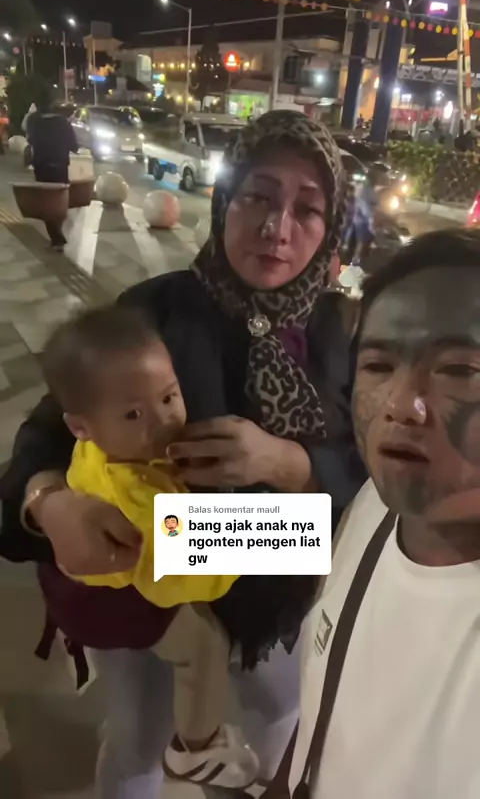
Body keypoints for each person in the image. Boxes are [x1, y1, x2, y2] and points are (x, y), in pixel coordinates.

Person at [0, 110, 366, 799]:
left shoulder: (343, 333)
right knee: (139, 737)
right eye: (258, 196)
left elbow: (372, 476)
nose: (277, 227)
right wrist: (50, 503)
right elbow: (46, 435)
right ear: (226, 200)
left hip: (280, 588)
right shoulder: (155, 312)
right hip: (150, 581)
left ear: (331, 227)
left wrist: (288, 464)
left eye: (308, 209)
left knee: (281, 711)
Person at [287, 229, 480, 799]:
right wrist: (155, 538)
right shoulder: (374, 505)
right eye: (378, 365)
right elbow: (285, 536)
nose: (400, 405)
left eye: (460, 370)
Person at [40, 304, 256, 789]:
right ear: (80, 427)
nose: (163, 420)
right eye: (134, 413)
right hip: (128, 598)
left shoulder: (112, 449)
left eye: (170, 396)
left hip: (110, 584)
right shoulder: (140, 501)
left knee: (133, 726)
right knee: (204, 648)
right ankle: (197, 750)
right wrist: (243, 551)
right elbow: (181, 580)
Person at [27, 99, 77, 249]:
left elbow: (30, 141)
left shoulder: (36, 124)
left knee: (46, 203)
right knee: (59, 202)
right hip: (60, 167)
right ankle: (57, 235)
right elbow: (74, 146)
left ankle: (56, 237)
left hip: (42, 168)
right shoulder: (64, 124)